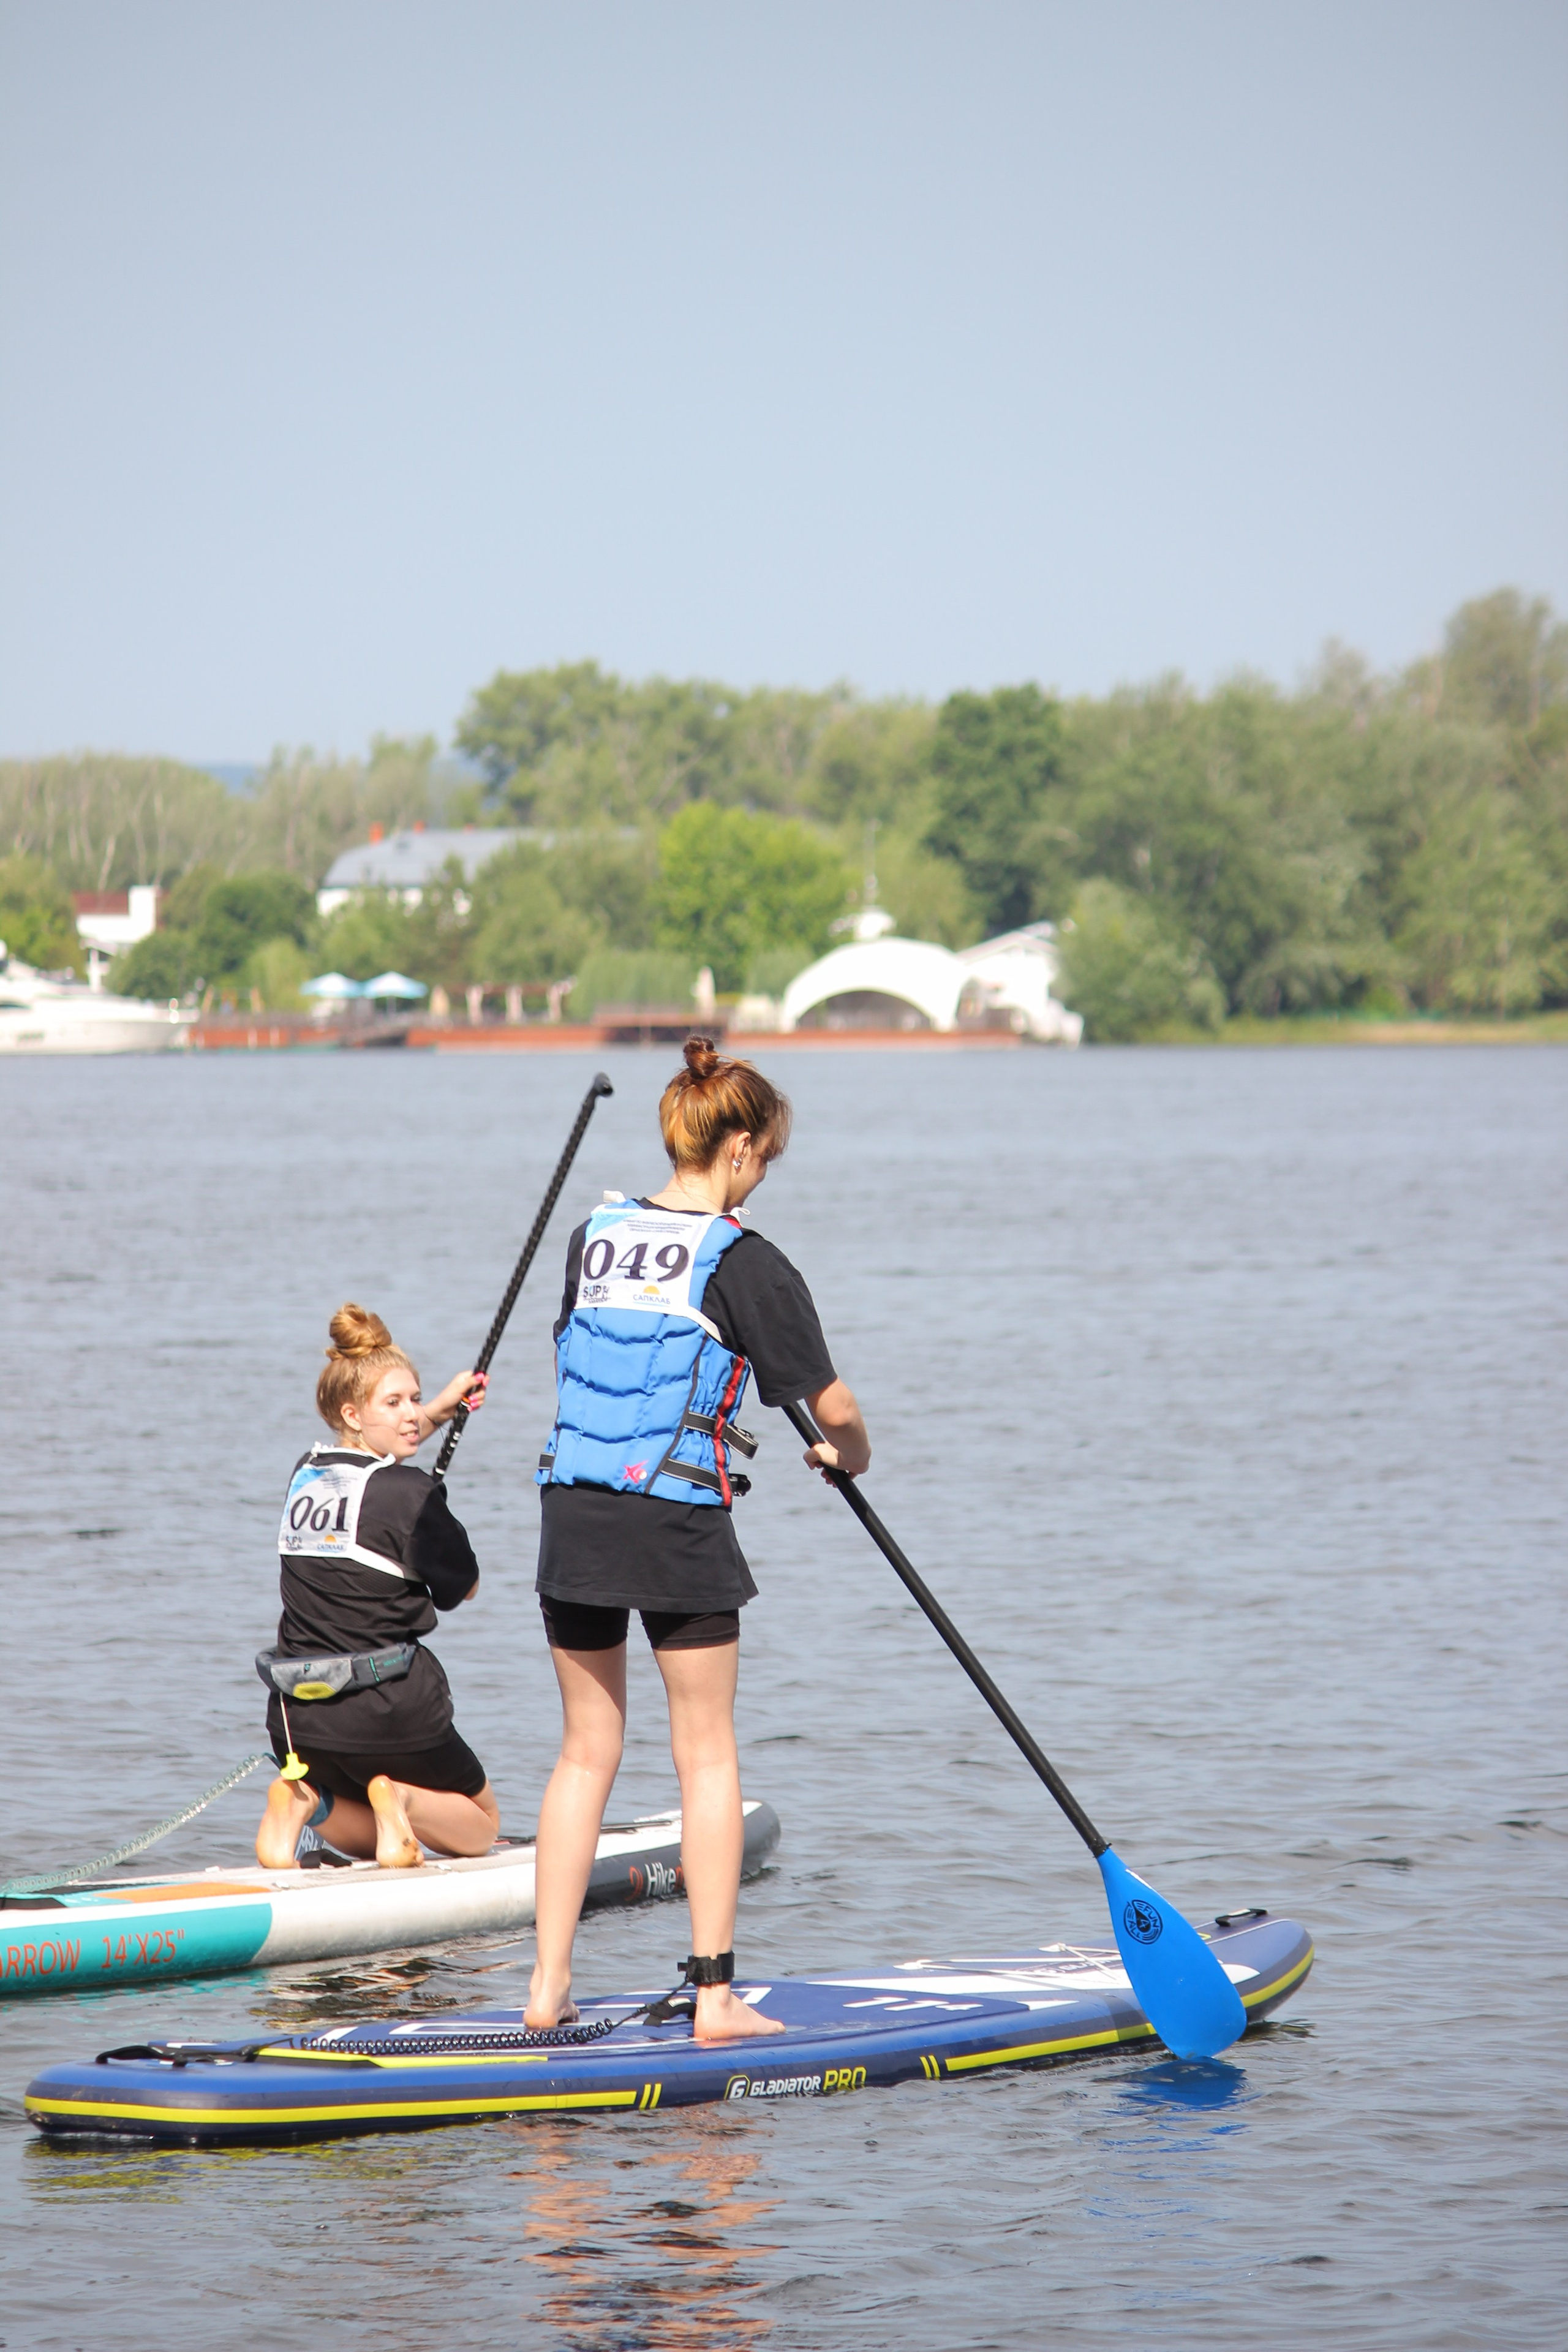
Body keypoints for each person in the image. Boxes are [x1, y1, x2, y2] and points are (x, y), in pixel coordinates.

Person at [524, 1036, 871, 2040]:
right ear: (739, 1149)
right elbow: (830, 1402)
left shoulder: (595, 1238)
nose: (762, 1181)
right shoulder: (746, 1261)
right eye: (765, 1162)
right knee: (706, 1754)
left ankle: (547, 1989)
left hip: (574, 1508)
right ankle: (715, 1996)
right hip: (674, 1517)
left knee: (585, 1752)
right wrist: (852, 1453)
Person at [254, 1304, 500, 1870]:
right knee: (481, 1824)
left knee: (357, 1804)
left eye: (415, 1399)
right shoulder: (412, 1495)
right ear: (353, 1412)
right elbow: (464, 1588)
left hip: (297, 1716)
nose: (413, 1414)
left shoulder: (306, 1472)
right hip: (389, 1711)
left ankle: (303, 1804)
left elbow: (372, 1466)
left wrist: (441, 1409)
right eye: (396, 1403)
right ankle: (403, 1800)